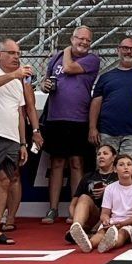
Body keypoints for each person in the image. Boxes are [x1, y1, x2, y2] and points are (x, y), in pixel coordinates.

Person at [0, 38, 42, 246]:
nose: (16, 57)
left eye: (18, 53)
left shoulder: (18, 82)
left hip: (12, 138)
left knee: (4, 182)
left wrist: (22, 142)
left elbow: (20, 113)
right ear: (0, 54)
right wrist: (14, 74)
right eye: (11, 53)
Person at [37, 24, 100, 221]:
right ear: (72, 38)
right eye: (80, 38)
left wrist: (65, 51)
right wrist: (44, 85)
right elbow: (47, 80)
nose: (83, 42)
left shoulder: (91, 59)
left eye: (87, 40)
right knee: (56, 163)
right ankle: (52, 209)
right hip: (56, 117)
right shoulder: (55, 58)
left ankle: (75, 209)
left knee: (76, 163)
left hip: (79, 118)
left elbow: (69, 68)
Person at [90, 34, 132, 167]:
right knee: (105, 171)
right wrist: (92, 128)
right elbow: (96, 103)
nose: (129, 51)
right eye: (125, 48)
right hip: (107, 132)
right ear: (117, 50)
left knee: (131, 172)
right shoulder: (106, 77)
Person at [67, 142, 119, 251]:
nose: (101, 156)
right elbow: (73, 204)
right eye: (99, 154)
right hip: (93, 215)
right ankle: (77, 229)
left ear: (114, 157)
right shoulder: (88, 176)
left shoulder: (119, 177)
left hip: (112, 216)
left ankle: (85, 233)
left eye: (105, 153)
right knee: (84, 197)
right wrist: (74, 217)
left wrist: (108, 190)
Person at [94, 153, 132, 252]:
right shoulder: (110, 188)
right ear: (115, 169)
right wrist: (106, 220)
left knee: (122, 233)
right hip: (113, 222)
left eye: (129, 164)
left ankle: (110, 244)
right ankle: (89, 243)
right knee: (101, 232)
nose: (126, 167)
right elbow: (105, 213)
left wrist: (121, 224)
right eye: (121, 165)